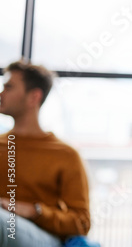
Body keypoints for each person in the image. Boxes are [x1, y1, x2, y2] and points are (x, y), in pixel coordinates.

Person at [0, 60, 91, 246]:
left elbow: (82, 222)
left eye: (9, 87)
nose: (1, 94)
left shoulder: (65, 154)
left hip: (44, 238)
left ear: (34, 97)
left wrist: (35, 211)